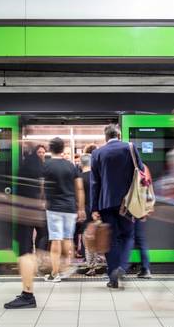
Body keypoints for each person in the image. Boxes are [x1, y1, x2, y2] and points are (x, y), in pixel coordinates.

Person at [90, 124, 143, 289]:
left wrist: (94, 208)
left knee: (110, 240)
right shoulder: (130, 148)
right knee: (128, 235)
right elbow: (140, 171)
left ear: (106, 137)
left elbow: (94, 183)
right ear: (119, 135)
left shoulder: (97, 153)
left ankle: (113, 277)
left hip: (105, 203)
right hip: (127, 202)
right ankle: (122, 266)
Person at [4, 145, 47, 309]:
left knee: (25, 252)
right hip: (33, 211)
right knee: (28, 249)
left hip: (28, 211)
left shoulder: (28, 165)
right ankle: (27, 293)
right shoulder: (37, 167)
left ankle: (28, 295)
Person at [43, 137, 85, 282]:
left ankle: (55, 273)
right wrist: (80, 208)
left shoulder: (46, 166)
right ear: (62, 149)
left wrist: (43, 200)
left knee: (55, 239)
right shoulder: (71, 166)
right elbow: (79, 187)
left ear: (50, 149)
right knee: (68, 237)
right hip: (69, 207)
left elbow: (42, 187)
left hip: (53, 207)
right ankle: (67, 267)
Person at [130, 164, 153, 279]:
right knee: (140, 239)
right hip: (140, 207)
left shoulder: (127, 166)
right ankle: (146, 268)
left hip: (129, 207)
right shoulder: (144, 167)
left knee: (127, 238)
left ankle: (121, 267)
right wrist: (147, 208)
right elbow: (148, 187)